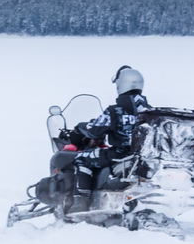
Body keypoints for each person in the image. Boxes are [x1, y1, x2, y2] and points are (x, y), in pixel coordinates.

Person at [64, 65, 150, 211]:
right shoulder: (150, 112)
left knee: (82, 158)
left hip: (121, 155)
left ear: (121, 84)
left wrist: (81, 127)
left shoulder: (115, 111)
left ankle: (81, 201)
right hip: (143, 158)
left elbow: (94, 131)